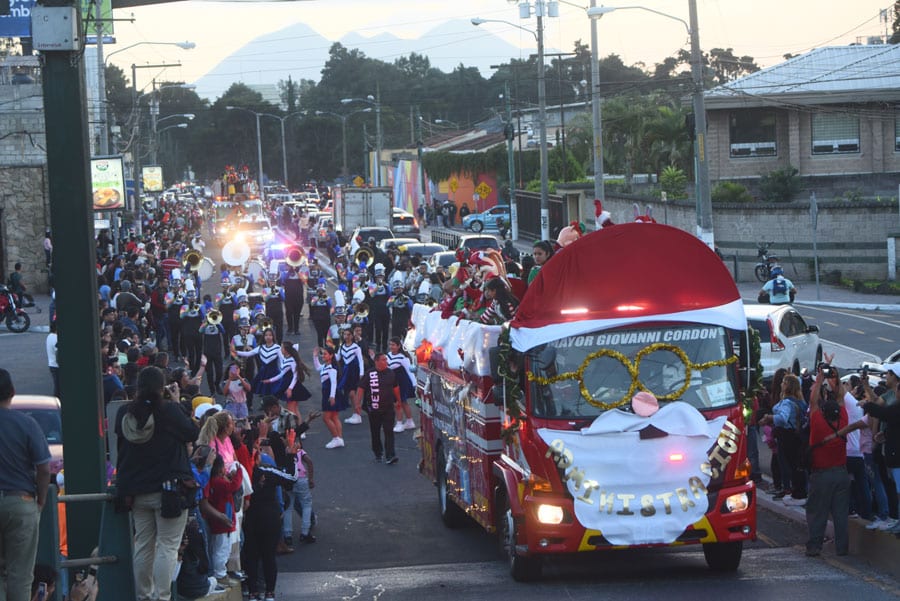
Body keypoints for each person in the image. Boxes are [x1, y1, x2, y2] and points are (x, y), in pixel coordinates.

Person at [114, 366, 199, 601]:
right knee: (167, 546)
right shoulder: (169, 411)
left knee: (143, 545)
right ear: (162, 388)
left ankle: (144, 596)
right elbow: (192, 432)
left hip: (136, 491)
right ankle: (162, 597)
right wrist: (175, 400)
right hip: (169, 490)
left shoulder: (124, 414)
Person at [0, 368, 51, 601]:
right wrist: (40, 499)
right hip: (21, 501)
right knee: (20, 574)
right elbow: (43, 468)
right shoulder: (27, 424)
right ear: (12, 392)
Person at [804, 361, 850, 557]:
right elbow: (840, 398)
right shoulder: (843, 421)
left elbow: (813, 401)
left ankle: (814, 546)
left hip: (821, 475)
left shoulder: (818, 423)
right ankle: (842, 548)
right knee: (840, 514)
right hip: (841, 473)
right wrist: (835, 378)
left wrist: (820, 377)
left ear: (823, 412)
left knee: (818, 513)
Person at [243, 439, 297, 601]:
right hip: (269, 517)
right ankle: (269, 593)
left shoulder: (239, 471)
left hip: (249, 518)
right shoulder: (267, 471)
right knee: (268, 556)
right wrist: (290, 456)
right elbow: (291, 478)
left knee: (251, 555)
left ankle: (253, 592)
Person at [759, 373, 808, 505]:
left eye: (784, 382)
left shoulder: (787, 402)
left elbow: (782, 418)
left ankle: (797, 494)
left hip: (787, 436)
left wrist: (769, 418)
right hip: (796, 436)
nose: (781, 384)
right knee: (796, 464)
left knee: (789, 465)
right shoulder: (800, 401)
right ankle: (797, 491)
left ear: (787, 386)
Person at [204, 454, 243, 587]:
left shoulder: (212, 482)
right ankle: (220, 574)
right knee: (222, 549)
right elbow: (234, 486)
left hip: (217, 522)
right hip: (224, 522)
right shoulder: (219, 482)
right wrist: (239, 472)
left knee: (218, 548)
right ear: (220, 469)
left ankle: (220, 573)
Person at [356, 353, 401, 464]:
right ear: (376, 361)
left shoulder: (391, 373)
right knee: (375, 432)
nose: (386, 361)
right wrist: (357, 404)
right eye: (383, 359)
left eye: (386, 359)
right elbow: (361, 388)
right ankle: (378, 452)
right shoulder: (370, 374)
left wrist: (398, 400)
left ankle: (390, 455)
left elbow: (396, 387)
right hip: (374, 409)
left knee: (389, 431)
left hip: (388, 408)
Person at [313, 346, 346, 449]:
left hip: (330, 394)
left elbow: (333, 383)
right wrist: (315, 356)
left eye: (325, 354)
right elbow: (317, 367)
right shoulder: (325, 366)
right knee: (334, 416)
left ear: (331, 355)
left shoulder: (331, 368)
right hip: (328, 393)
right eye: (322, 353)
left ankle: (336, 438)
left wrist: (332, 396)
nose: (323, 355)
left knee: (326, 418)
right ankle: (340, 439)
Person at [387, 337, 416, 433]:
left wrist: (414, 384)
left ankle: (399, 423)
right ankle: (409, 421)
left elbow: (410, 371)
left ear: (399, 346)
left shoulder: (403, 358)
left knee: (399, 403)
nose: (391, 346)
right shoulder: (388, 356)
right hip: (392, 383)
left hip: (401, 382)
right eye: (390, 344)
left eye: (393, 345)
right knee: (401, 403)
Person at [338, 328, 365, 425]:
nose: (346, 336)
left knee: (353, 394)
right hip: (346, 372)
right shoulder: (341, 347)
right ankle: (356, 413)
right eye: (345, 334)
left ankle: (357, 414)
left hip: (354, 371)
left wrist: (361, 373)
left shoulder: (356, 347)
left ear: (352, 336)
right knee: (350, 394)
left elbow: (361, 361)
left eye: (348, 334)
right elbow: (337, 358)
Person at [46, 322, 59, 399]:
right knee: (59, 388)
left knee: (57, 386)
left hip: (52, 364)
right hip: (57, 365)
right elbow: (58, 353)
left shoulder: (49, 336)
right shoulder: (55, 338)